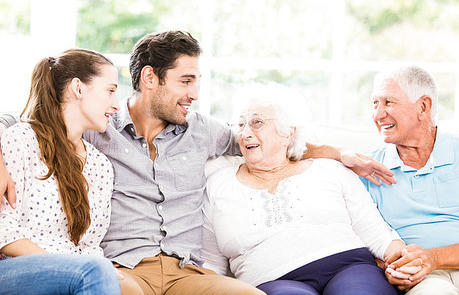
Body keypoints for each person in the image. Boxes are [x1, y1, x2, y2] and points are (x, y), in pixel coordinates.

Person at [0, 31, 395, 295]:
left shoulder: (205, 131)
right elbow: (36, 122)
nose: (194, 94)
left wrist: (338, 153)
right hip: (124, 267)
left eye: (197, 82)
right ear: (151, 78)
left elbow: (274, 140)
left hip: (187, 272)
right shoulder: (97, 128)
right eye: (186, 81)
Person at [202, 83, 404, 295]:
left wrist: (405, 263)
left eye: (257, 123)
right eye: (240, 125)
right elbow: (210, 264)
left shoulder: (330, 169)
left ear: (288, 132)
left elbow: (379, 236)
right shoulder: (217, 185)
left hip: (350, 266)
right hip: (271, 281)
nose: (245, 133)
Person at [361, 66, 459, 294]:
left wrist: (434, 257)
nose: (377, 115)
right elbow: (364, 242)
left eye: (388, 102)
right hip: (424, 279)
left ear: (423, 107)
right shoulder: (368, 169)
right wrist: (391, 267)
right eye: (374, 103)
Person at [0, 49, 121, 294]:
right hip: (14, 269)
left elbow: (89, 246)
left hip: (77, 271)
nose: (116, 105)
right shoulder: (21, 140)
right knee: (95, 270)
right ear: (79, 88)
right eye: (110, 91)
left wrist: (81, 268)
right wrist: (67, 267)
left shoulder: (100, 166)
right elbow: (4, 231)